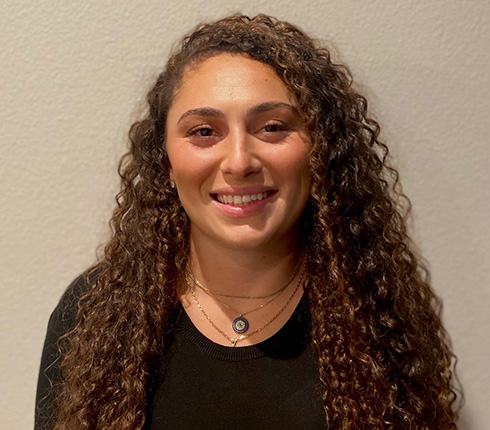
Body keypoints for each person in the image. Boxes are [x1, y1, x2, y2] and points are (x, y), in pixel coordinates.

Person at [35, 13, 461, 430]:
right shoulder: (91, 313)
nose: (239, 162)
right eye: (204, 131)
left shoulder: (375, 311)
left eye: (272, 127)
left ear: (320, 151)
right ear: (165, 160)